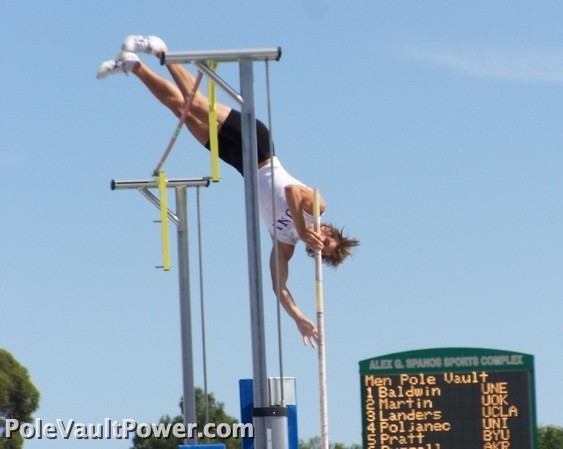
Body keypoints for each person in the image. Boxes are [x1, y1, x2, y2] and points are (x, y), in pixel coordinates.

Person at [97, 35, 359, 347]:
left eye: (320, 251)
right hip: (259, 146)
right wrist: (303, 229)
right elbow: (290, 192)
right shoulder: (317, 209)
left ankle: (134, 67)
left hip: (238, 163)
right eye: (326, 241)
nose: (319, 244)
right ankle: (161, 48)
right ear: (328, 230)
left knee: (178, 108)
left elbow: (280, 287)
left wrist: (299, 317)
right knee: (196, 104)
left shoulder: (285, 243)